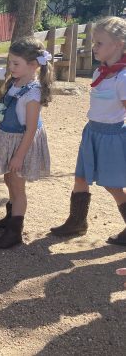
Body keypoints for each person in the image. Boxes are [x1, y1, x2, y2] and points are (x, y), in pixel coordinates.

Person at [50, 17, 126, 244]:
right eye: (94, 42)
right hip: (91, 132)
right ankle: (77, 222)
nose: (94, 47)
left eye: (99, 43)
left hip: (111, 137)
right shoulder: (99, 73)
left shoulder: (122, 78)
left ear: (119, 44)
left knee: (113, 185)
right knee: (81, 177)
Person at [0, 37, 53, 249]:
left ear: (33, 65)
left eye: (16, 63)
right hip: (8, 138)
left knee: (18, 186)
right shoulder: (15, 82)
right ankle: (10, 217)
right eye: (10, 62)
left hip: (21, 143)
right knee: (8, 179)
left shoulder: (33, 93)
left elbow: (30, 129)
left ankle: (15, 232)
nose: (11, 67)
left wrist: (19, 155)